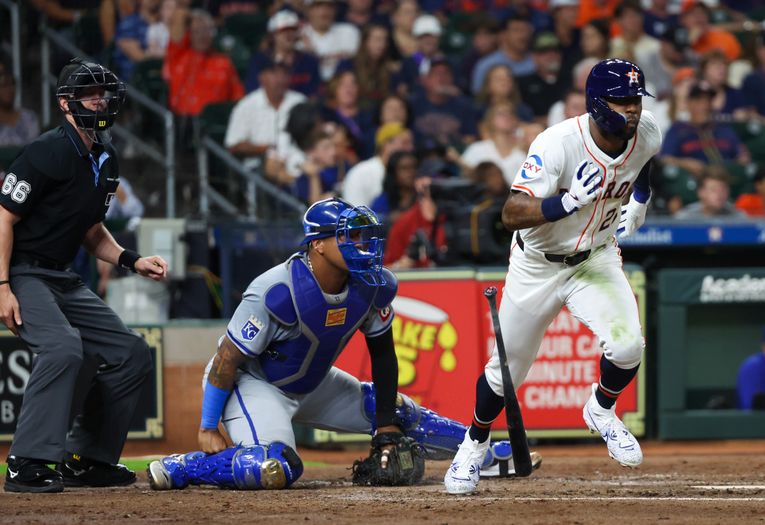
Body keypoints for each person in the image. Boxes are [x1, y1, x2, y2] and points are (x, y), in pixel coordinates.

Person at [146, 198, 527, 490]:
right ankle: (186, 466)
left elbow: (383, 356)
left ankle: (483, 455)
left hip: (311, 383)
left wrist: (385, 428)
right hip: (254, 385)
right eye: (348, 236)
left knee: (397, 412)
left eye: (362, 235)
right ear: (319, 246)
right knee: (276, 467)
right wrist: (208, 425)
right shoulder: (276, 290)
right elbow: (225, 360)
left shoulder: (371, 284)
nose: (361, 244)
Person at [444, 58, 662, 495]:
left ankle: (601, 410)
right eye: (622, 101)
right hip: (538, 263)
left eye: (636, 99)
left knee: (627, 345)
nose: (633, 109)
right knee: (506, 373)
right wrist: (559, 204)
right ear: (599, 103)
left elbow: (644, 161)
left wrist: (640, 197)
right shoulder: (558, 143)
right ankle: (474, 443)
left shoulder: (647, 131)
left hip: (595, 258)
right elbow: (510, 213)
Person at [0, 60, 168, 493]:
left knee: (130, 352)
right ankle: (27, 462)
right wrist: (1, 287)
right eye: (90, 94)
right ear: (65, 103)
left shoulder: (106, 155)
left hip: (62, 277)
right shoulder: (46, 151)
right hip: (23, 272)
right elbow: (2, 218)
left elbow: (91, 230)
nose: (100, 101)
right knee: (62, 348)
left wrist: (132, 260)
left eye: (103, 93)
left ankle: (85, 458)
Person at [673, 165, 746, 220]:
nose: (719, 194)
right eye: (713, 189)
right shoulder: (685, 218)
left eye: (723, 189)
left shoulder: (739, 217)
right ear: (701, 192)